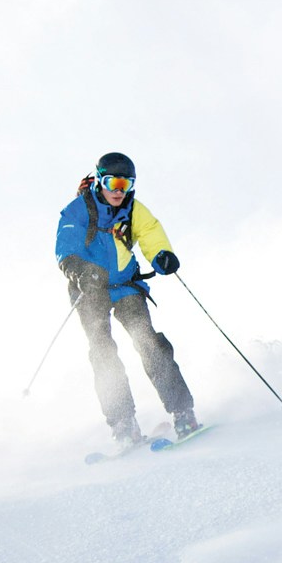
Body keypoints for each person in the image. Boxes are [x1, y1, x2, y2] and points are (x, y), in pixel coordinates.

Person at [54, 152, 198, 448]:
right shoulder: (78, 209)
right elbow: (65, 248)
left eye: (126, 184)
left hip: (125, 286)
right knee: (102, 351)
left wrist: (162, 256)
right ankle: (123, 423)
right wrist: (80, 270)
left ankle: (183, 412)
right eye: (113, 182)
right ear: (99, 181)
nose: (119, 190)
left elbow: (150, 233)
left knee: (149, 343)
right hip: (89, 289)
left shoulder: (134, 209)